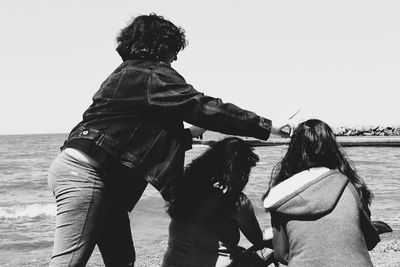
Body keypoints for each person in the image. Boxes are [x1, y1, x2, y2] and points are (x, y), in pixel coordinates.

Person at [47, 13, 293, 266]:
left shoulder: (123, 75)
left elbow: (134, 136)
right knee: (68, 262)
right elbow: (203, 107)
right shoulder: (151, 74)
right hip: (87, 174)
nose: (175, 58)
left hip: (99, 177)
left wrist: (188, 135)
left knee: (122, 260)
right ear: (160, 46)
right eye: (174, 50)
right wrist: (269, 126)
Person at [262, 119, 380, 266]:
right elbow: (371, 241)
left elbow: (281, 255)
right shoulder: (348, 186)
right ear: (332, 149)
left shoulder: (280, 195)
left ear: (294, 150)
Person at [162, 137, 267, 267]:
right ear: (240, 171)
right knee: (264, 254)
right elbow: (257, 240)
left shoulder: (186, 189)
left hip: (171, 264)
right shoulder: (235, 200)